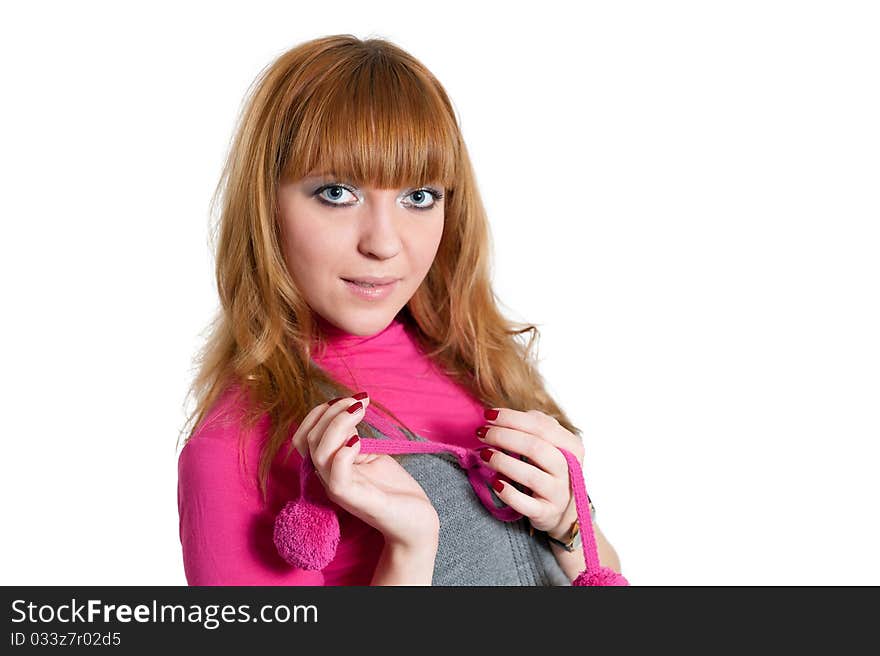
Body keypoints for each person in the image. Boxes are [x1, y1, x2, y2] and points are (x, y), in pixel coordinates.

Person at [176, 33, 623, 586]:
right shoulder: (239, 449)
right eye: (338, 192)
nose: (384, 243)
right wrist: (409, 549)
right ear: (266, 203)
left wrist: (566, 527)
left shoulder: (482, 366)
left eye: (418, 197)